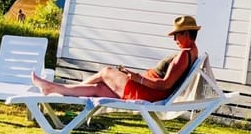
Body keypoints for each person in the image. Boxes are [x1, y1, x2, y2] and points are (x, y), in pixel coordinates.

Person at [31, 15, 201, 102]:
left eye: (176, 35)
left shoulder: (183, 54)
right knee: (98, 89)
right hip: (149, 91)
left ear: (186, 33)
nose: (174, 39)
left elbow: (165, 84)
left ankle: (55, 88)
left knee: (106, 72)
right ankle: (54, 89)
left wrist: (137, 78)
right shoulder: (193, 52)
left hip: (148, 93)